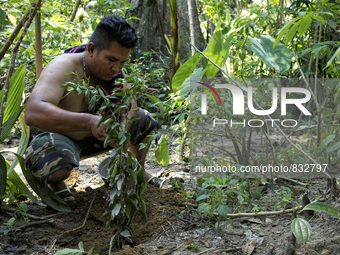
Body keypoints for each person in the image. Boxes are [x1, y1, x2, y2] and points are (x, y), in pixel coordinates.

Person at [24, 15, 165, 201]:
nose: (116, 68)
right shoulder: (63, 66)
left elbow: (131, 105)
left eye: (122, 63)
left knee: (143, 118)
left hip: (95, 138)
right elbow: (33, 112)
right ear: (91, 49)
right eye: (111, 60)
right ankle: (56, 183)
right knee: (55, 168)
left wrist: (123, 127)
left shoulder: (115, 73)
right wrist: (89, 121)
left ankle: (137, 171)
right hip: (59, 139)